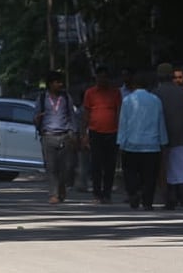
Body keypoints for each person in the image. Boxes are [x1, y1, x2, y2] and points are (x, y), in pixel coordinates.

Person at [117, 72, 168, 211]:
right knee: (150, 176)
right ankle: (147, 201)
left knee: (130, 172)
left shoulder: (127, 100)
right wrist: (163, 140)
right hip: (151, 145)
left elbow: (123, 122)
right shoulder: (155, 100)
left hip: (131, 144)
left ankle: (133, 193)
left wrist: (121, 141)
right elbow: (160, 122)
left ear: (133, 85)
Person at [153, 62, 183, 209]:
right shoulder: (182, 92)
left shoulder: (155, 94)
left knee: (165, 166)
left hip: (163, 136)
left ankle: (169, 196)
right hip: (182, 134)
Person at [34, 70, 79, 204]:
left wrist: (74, 133)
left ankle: (62, 187)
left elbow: (72, 115)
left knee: (66, 167)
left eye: (61, 82)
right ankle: (53, 193)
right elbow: (35, 117)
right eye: (57, 82)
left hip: (65, 135)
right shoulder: (42, 98)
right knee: (51, 167)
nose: (60, 84)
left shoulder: (66, 97)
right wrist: (37, 119)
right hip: (48, 135)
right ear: (50, 84)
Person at [80, 65, 122, 203]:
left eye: (105, 77)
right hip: (95, 132)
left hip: (112, 132)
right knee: (96, 164)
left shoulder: (115, 93)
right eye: (100, 77)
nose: (102, 80)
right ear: (96, 78)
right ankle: (97, 193)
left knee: (110, 165)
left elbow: (119, 112)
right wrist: (84, 133)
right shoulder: (90, 93)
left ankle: (107, 193)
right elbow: (86, 113)